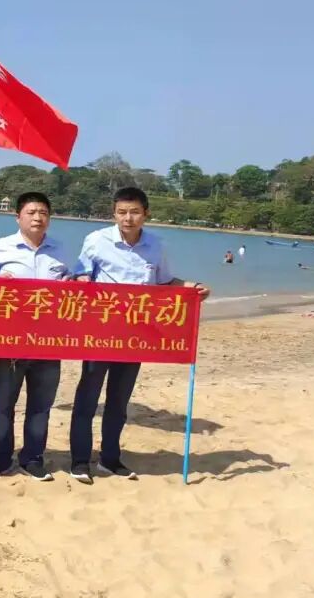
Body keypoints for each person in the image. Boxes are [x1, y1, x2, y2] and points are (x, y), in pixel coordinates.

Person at [68, 187, 210, 484]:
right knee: (87, 398)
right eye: (121, 212)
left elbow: (165, 282)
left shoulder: (156, 245)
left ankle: (110, 459)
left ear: (146, 214)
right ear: (114, 214)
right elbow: (81, 275)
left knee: (119, 400)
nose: (127, 218)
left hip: (136, 334)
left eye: (134, 212)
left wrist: (193, 288)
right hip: (100, 332)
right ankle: (80, 461)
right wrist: (81, 280)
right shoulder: (96, 240)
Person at [0, 192, 71, 482]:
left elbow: (74, 292)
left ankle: (32, 459)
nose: (37, 217)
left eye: (43, 212)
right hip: (7, 342)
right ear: (17, 216)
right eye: (31, 212)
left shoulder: (60, 251)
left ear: (49, 218)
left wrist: (73, 283)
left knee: (40, 407)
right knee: (3, 406)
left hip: (48, 342)